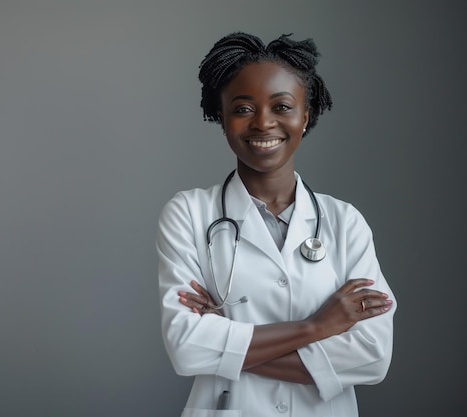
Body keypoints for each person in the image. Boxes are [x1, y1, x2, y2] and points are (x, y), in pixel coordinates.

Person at [156, 32, 396, 417]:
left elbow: (372, 356)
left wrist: (224, 341)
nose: (263, 123)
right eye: (243, 108)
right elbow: (186, 349)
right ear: (222, 117)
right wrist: (318, 326)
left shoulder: (345, 222)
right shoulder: (188, 213)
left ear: (305, 115)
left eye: (282, 106)